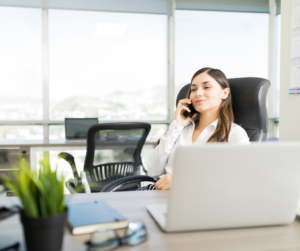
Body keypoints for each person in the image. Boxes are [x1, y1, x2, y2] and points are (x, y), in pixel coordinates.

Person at [137, 67, 249, 191]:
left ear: (224, 93)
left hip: (202, 200)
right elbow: (153, 171)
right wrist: (177, 125)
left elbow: (240, 180)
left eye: (206, 87)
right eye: (193, 89)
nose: (198, 93)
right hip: (160, 194)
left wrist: (181, 181)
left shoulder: (234, 134)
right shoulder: (180, 129)